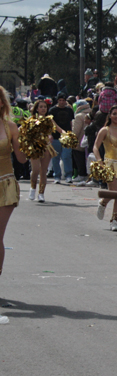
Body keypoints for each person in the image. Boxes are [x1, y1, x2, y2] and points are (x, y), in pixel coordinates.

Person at [0, 87, 27, 283]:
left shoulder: (11, 127)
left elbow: (22, 159)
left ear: (2, 103)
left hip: (5, 183)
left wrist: (30, 144)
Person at [28, 100, 60, 203]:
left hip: (46, 147)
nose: (43, 109)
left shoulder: (49, 120)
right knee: (35, 170)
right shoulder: (31, 119)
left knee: (43, 171)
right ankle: (33, 188)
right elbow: (22, 130)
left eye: (45, 107)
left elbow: (59, 129)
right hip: (35, 147)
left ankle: (41, 193)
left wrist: (66, 135)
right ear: (37, 108)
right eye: (41, 107)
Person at [48, 93, 75, 184]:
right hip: (55, 136)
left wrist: (71, 133)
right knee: (55, 157)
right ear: (57, 101)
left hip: (67, 136)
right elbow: (51, 124)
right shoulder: (52, 110)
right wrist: (50, 134)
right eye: (60, 100)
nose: (62, 102)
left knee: (66, 156)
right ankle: (57, 176)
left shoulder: (69, 110)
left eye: (63, 100)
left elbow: (71, 122)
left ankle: (68, 175)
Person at [71, 99, 91, 185]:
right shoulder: (90, 113)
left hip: (79, 141)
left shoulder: (79, 116)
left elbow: (76, 130)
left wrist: (72, 139)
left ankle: (81, 174)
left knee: (79, 158)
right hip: (88, 140)